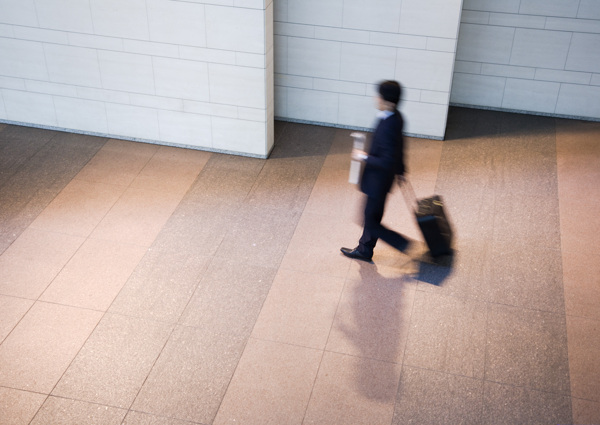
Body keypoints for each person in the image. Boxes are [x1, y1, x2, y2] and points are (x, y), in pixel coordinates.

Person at [341, 80, 409, 262]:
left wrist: (362, 157)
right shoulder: (396, 117)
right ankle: (365, 250)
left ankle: (404, 245)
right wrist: (401, 170)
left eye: (379, 95)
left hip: (377, 182)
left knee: (370, 221)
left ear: (387, 100)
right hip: (383, 181)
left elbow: (387, 160)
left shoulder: (387, 124)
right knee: (373, 217)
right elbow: (399, 146)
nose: (376, 98)